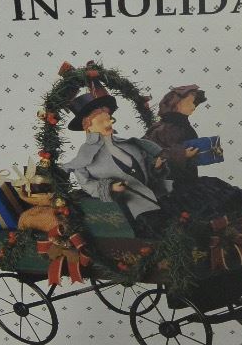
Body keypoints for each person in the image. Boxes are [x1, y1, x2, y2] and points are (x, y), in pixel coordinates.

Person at [61, 83, 173, 236]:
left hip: (158, 195)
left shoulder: (129, 144)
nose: (108, 123)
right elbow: (87, 184)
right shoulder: (84, 156)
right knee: (156, 231)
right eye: (101, 122)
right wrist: (110, 187)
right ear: (88, 127)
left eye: (109, 119)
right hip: (131, 208)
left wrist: (157, 167)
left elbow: (146, 168)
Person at [144, 83, 242, 220]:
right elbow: (151, 151)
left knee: (217, 191)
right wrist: (182, 154)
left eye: (194, 104)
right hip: (172, 185)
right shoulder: (164, 128)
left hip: (188, 178)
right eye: (189, 103)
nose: (193, 107)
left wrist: (207, 151)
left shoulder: (183, 125)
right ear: (175, 104)